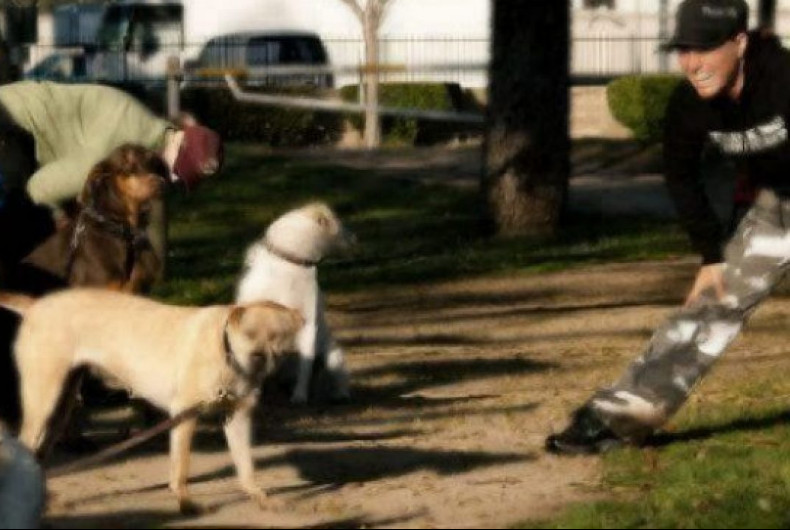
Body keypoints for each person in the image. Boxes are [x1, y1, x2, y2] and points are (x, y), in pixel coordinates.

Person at [546, 0, 790, 454]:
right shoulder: (688, 106)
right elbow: (681, 175)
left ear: (739, 43)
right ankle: (618, 417)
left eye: (704, 48)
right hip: (778, 207)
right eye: (683, 50)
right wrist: (711, 256)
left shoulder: (784, 80)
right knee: (709, 307)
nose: (692, 63)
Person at [0, 80, 223, 428]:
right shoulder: (113, 150)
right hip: (12, 126)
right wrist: (59, 221)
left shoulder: (148, 142)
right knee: (25, 245)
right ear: (175, 145)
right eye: (175, 175)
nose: (171, 184)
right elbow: (39, 188)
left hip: (31, 143)